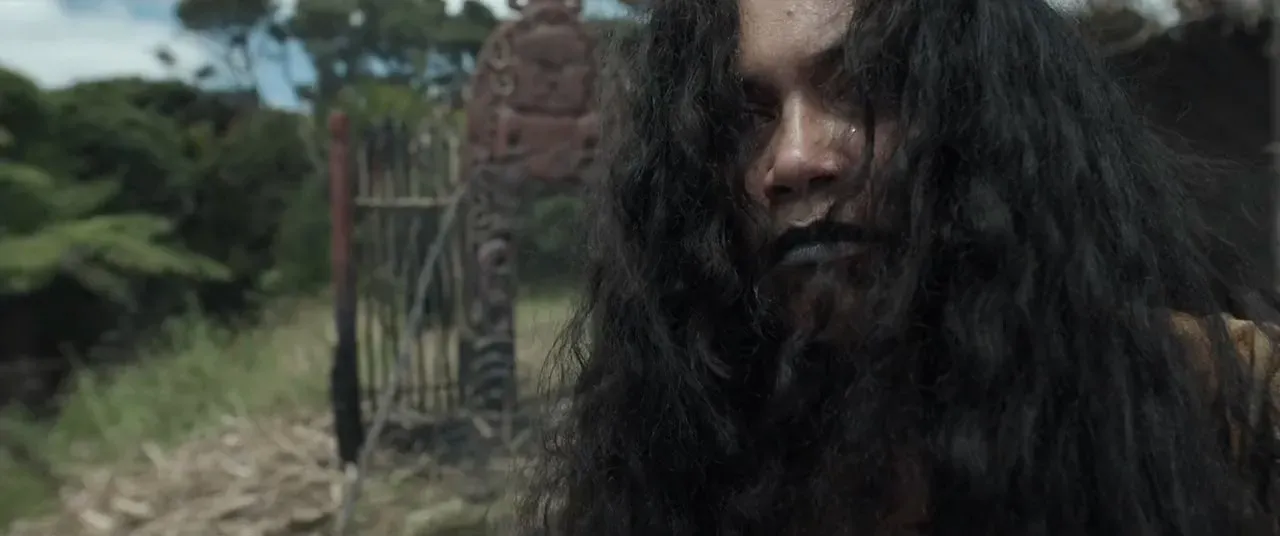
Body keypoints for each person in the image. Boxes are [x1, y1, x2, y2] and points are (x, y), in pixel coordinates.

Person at [517, 0, 1280, 534]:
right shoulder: (683, 470)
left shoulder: (1217, 402)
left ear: (978, 110)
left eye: (865, 86)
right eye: (747, 116)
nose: (796, 158)